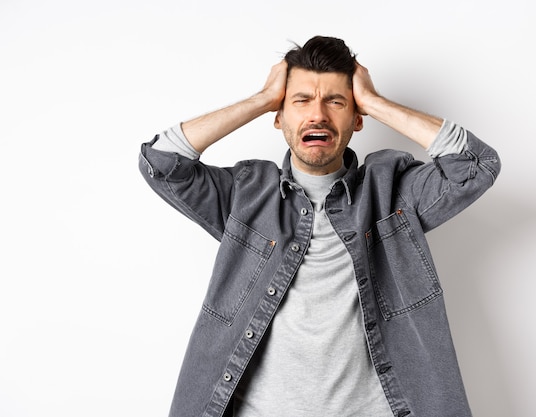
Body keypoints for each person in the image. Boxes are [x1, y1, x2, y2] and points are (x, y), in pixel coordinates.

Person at [139, 35, 501, 417]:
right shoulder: (245, 194)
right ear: (279, 117)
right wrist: (262, 99)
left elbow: (476, 166)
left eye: (335, 101)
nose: (318, 115)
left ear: (357, 117)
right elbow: (161, 162)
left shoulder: (393, 191)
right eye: (301, 100)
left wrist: (375, 102)